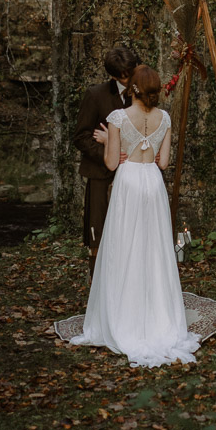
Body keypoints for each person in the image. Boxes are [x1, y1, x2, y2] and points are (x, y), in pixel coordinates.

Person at [70, 65, 200, 367]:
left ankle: (122, 314)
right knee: (154, 248)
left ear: (135, 89)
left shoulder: (117, 118)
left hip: (128, 183)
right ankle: (157, 315)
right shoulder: (164, 118)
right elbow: (164, 162)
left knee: (124, 246)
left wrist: (107, 144)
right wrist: (148, 154)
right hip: (152, 183)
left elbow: (113, 164)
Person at [73, 46, 140, 278]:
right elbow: (81, 137)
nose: (131, 78)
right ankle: (97, 290)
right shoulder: (95, 95)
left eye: (133, 71)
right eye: (126, 75)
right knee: (98, 235)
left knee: (131, 235)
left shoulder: (143, 94)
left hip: (135, 174)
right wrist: (106, 152)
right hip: (101, 175)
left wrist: (114, 142)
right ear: (114, 75)